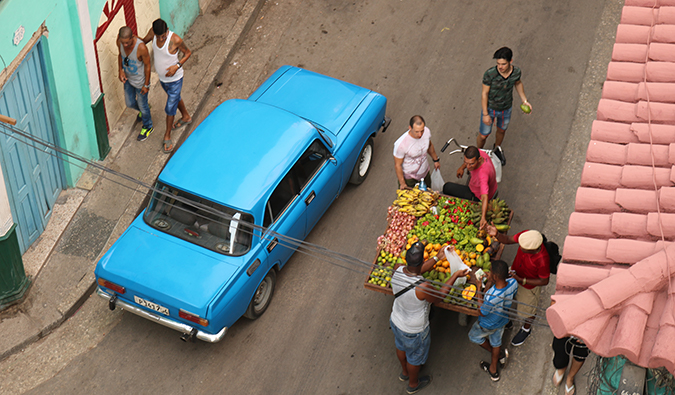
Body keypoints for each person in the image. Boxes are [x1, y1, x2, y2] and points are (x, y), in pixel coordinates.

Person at [390, 242, 469, 394]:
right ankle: (413, 384)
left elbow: (417, 270)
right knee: (414, 358)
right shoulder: (423, 287)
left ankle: (404, 373)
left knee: (401, 346)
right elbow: (439, 297)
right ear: (421, 262)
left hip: (396, 320)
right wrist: (455, 275)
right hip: (414, 330)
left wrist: (437, 257)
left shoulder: (397, 268)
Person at [486, 228, 549, 346]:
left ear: (534, 249)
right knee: (505, 297)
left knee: (528, 310)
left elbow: (544, 280)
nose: (520, 247)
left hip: (528, 286)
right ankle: (507, 321)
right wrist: (497, 234)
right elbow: (509, 239)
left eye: (523, 248)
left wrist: (522, 280)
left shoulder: (542, 260)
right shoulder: (526, 236)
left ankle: (526, 329)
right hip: (514, 274)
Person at [143, 19, 192, 153]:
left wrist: (177, 66)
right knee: (175, 98)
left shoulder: (175, 39)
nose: (160, 38)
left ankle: (167, 135)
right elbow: (143, 42)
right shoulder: (153, 33)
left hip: (175, 79)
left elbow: (188, 53)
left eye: (163, 36)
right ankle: (186, 117)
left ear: (167, 30)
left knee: (170, 107)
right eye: (158, 36)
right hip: (163, 80)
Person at [478, 47, 531, 166]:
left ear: (510, 61)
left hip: (506, 108)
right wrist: (485, 114)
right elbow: (484, 93)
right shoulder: (490, 74)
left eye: (503, 64)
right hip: (491, 108)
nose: (500, 67)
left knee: (501, 131)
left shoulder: (516, 72)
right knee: (483, 135)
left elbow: (518, 83)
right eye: (498, 64)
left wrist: (524, 101)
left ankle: (497, 149)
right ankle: (478, 153)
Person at [468, 259, 518, 382]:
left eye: (490, 272)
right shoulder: (513, 282)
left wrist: (479, 289)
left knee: (473, 336)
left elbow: (482, 311)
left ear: (495, 276)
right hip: (501, 320)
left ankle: (498, 355)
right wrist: (491, 277)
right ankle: (493, 369)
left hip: (487, 324)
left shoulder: (491, 295)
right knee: (496, 342)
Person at [442, 146, 497, 229]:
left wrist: (483, 217)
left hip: (477, 195)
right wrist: (462, 167)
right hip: (482, 186)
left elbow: (484, 197)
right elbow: (468, 162)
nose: (468, 167)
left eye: (471, 164)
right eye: (466, 163)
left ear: (479, 159)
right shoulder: (478, 153)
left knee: (447, 187)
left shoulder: (483, 174)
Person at [117, 26, 153, 141]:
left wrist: (146, 85)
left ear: (132, 37)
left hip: (140, 82)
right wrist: (120, 70)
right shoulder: (120, 42)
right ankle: (145, 110)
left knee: (142, 105)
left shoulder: (141, 47)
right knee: (130, 103)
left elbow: (148, 65)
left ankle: (148, 126)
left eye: (127, 43)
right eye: (123, 43)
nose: (125, 45)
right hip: (128, 79)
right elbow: (120, 55)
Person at [550, 299, 589, 395]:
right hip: (565, 323)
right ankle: (561, 369)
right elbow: (555, 301)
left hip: (587, 327)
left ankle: (570, 377)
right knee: (559, 349)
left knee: (580, 354)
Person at [393, 115, 441, 189]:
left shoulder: (427, 132)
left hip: (425, 174)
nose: (420, 135)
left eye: (422, 131)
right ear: (410, 128)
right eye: (417, 131)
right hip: (409, 179)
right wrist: (402, 183)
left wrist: (435, 160)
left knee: (428, 196)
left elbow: (430, 146)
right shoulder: (401, 144)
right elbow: (398, 165)